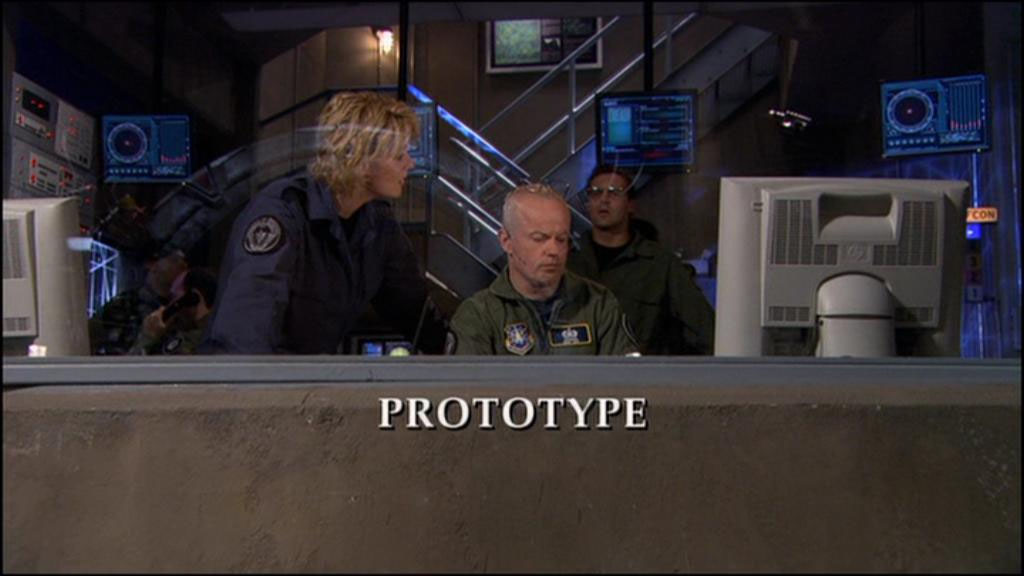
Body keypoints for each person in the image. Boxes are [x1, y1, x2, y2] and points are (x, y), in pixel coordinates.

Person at [200, 91, 447, 354]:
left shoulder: (378, 226)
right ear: (360, 157)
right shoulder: (283, 212)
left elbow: (413, 309)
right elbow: (245, 332)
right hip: (251, 375)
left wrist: (459, 351)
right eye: (399, 156)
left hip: (308, 375)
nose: (410, 164)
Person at [448, 183, 639, 356]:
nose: (553, 251)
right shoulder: (478, 315)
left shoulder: (598, 304)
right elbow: (470, 384)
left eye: (561, 239)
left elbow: (627, 379)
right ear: (506, 241)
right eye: (539, 238)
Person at [567, 165, 715, 355]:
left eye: (614, 192)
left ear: (630, 205)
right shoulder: (569, 261)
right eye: (595, 193)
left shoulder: (660, 264)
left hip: (638, 370)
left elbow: (704, 329)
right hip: (579, 369)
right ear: (588, 203)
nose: (604, 200)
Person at [89, 248, 188, 355]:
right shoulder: (124, 303)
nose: (182, 265)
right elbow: (88, 336)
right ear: (153, 265)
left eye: (185, 264)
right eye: (173, 260)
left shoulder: (178, 315)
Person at [128, 268, 217, 355]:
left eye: (174, 297)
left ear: (192, 298)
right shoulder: (217, 332)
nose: (169, 305)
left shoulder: (188, 344)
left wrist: (147, 337)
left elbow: (133, 364)